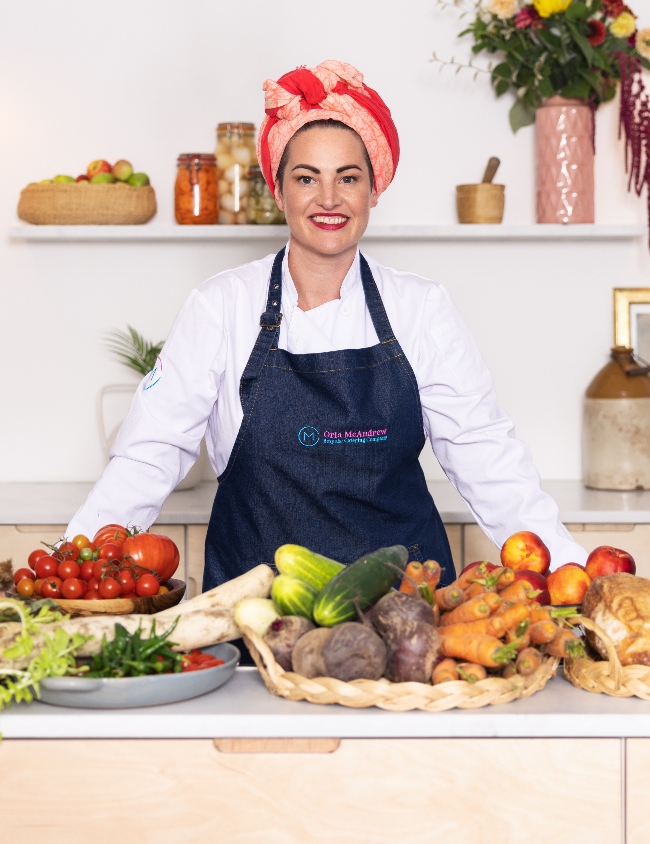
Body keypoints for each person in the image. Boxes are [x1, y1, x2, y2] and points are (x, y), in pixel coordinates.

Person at [66, 59, 586, 593]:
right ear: (278, 191)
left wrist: (569, 570)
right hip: (259, 608)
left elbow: (484, 453)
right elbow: (151, 450)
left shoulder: (420, 307)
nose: (329, 199)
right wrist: (77, 563)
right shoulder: (220, 306)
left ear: (374, 190)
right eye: (307, 178)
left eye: (349, 178)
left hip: (407, 611)